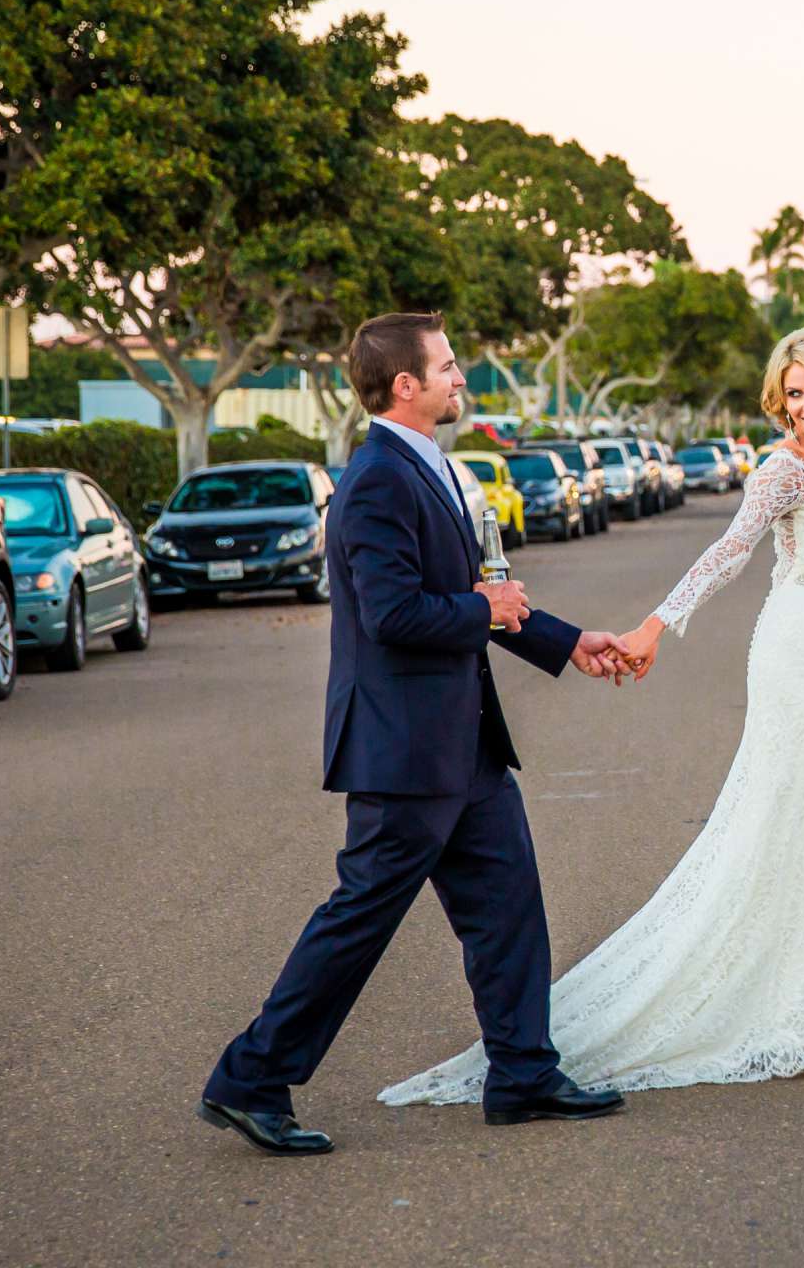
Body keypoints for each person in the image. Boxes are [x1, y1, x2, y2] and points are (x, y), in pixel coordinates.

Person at [380, 325, 804, 1106]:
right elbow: (727, 553)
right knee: (792, 816)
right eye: (794, 394)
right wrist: (656, 625)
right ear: (780, 400)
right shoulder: (782, 469)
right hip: (798, 656)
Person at [199, 312, 638, 1156]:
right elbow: (394, 614)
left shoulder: (428, 467)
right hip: (403, 750)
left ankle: (521, 1074)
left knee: (509, 906)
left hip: (462, 744)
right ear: (406, 384)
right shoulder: (375, 481)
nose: (459, 375)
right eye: (446, 366)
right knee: (358, 919)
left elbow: (479, 593)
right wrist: (482, 608)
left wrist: (567, 641)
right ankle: (251, 1079)